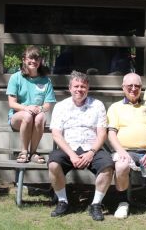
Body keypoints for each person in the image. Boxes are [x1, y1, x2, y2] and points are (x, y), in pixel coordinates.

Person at [48, 71, 114, 221]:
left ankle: (96, 204)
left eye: (83, 86)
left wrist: (91, 152)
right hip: (68, 148)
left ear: (88, 88)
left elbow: (102, 134)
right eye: (76, 86)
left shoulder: (97, 105)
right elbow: (57, 134)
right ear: (70, 88)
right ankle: (62, 201)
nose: (79, 89)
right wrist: (71, 154)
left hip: (92, 147)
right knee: (53, 164)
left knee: (108, 166)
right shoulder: (60, 106)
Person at [107, 73, 146, 218]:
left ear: (141, 88)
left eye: (137, 86)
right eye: (130, 86)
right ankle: (123, 203)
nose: (133, 89)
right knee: (121, 166)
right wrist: (121, 151)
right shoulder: (115, 107)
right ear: (123, 87)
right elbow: (111, 134)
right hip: (126, 151)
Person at [6, 45, 56, 163]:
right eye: (30, 58)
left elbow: (48, 105)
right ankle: (24, 152)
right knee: (27, 116)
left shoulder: (46, 80)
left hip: (36, 116)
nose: (33, 61)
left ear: (40, 61)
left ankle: (33, 152)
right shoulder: (15, 77)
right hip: (17, 117)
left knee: (41, 117)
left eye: (37, 59)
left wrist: (40, 109)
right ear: (24, 60)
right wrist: (26, 108)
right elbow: (12, 103)